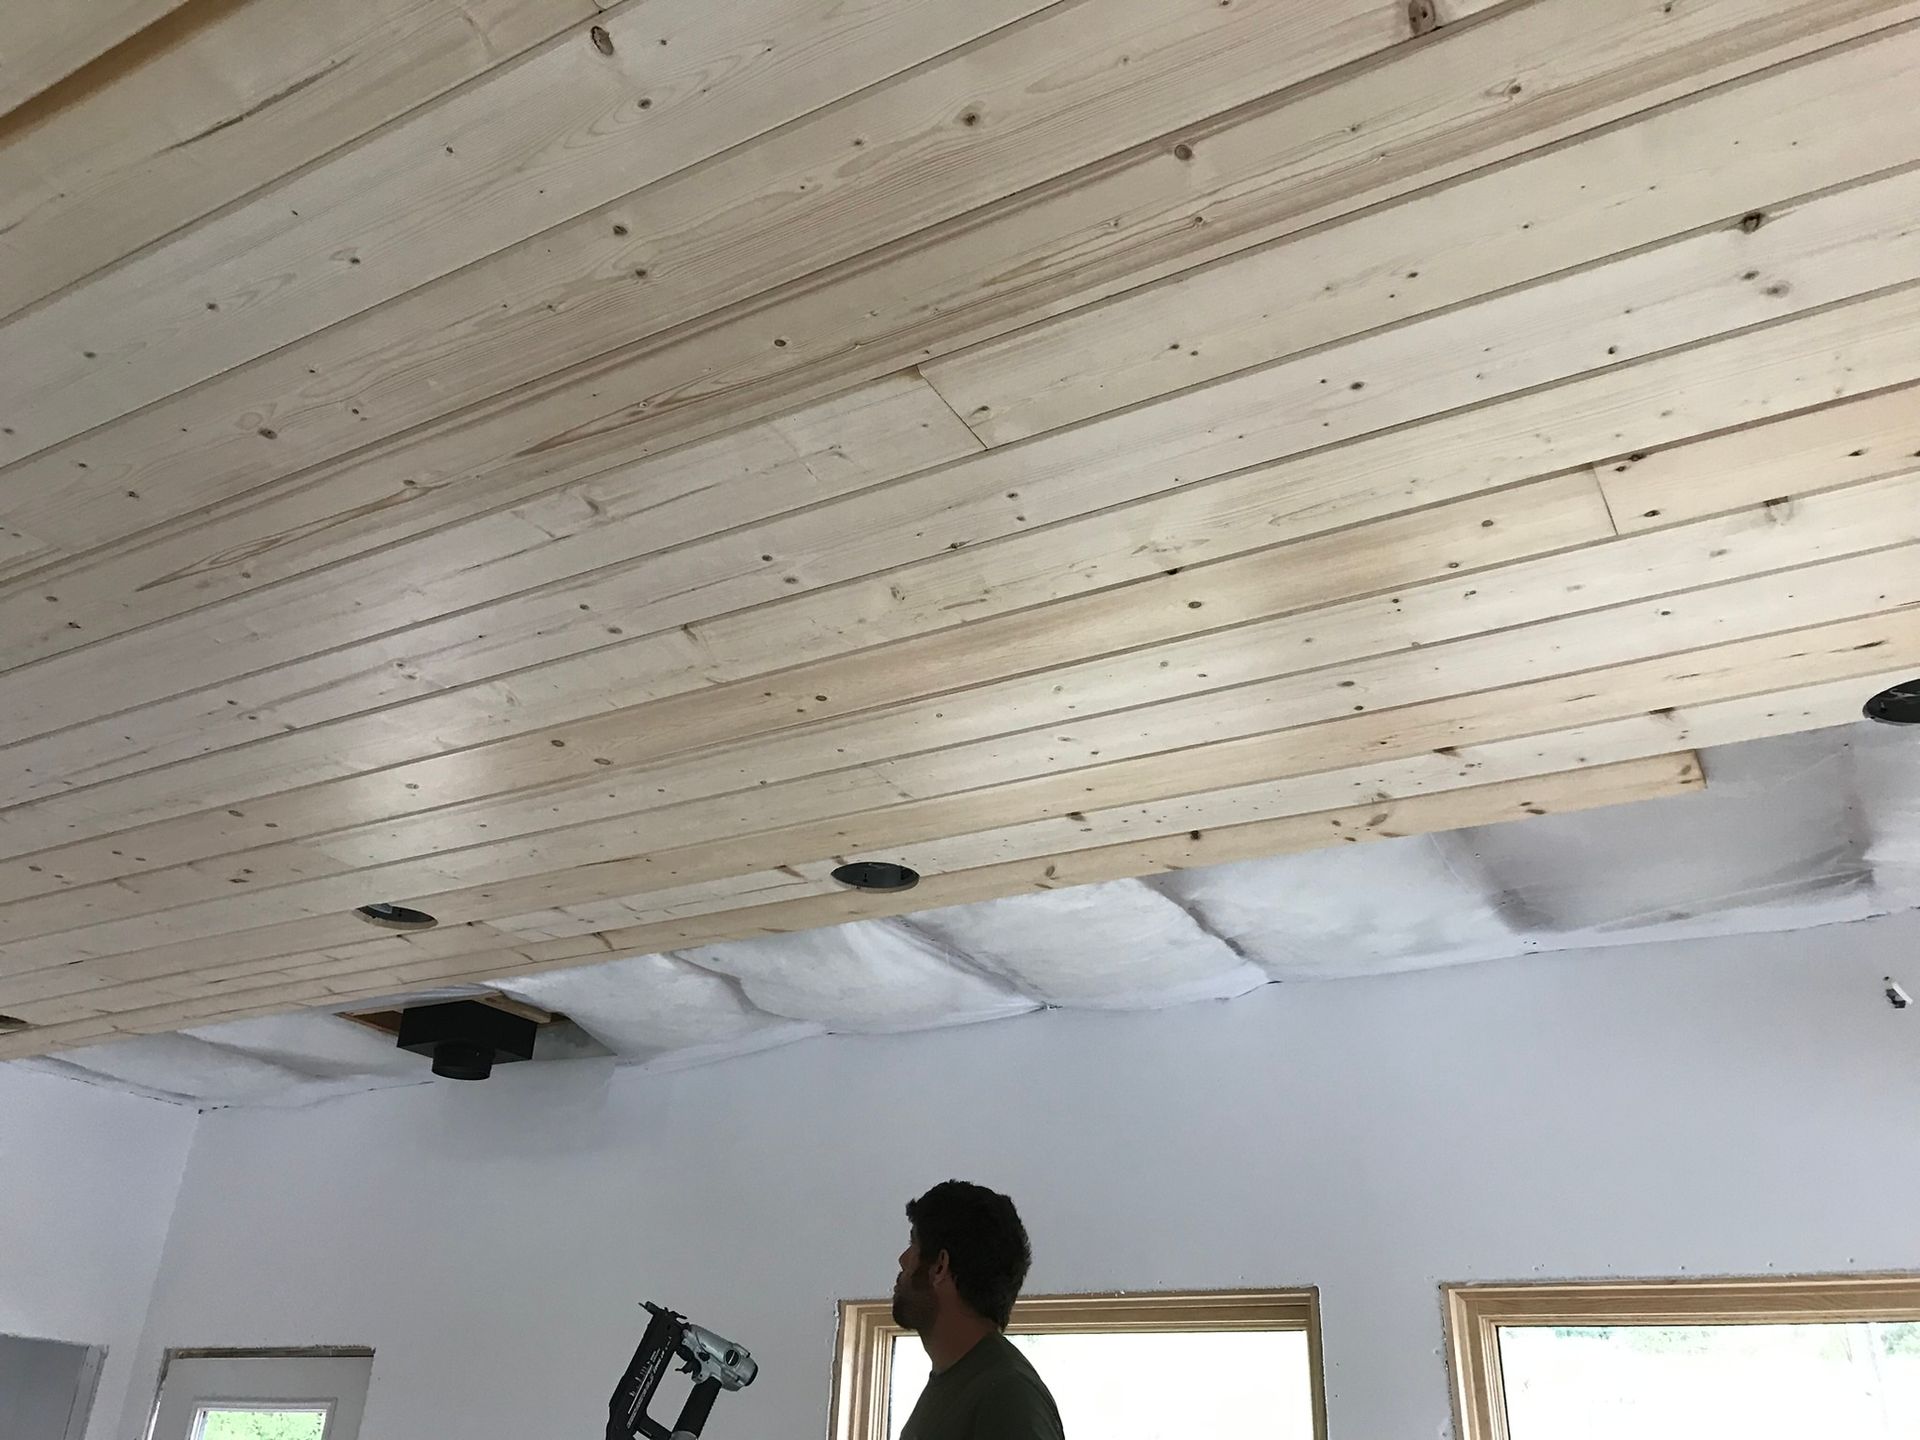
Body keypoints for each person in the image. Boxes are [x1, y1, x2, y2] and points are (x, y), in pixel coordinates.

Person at [891, 1180, 1065, 1440]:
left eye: (913, 1244)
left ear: (940, 1266)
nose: (903, 1259)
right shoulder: (959, 1383)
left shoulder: (1007, 1395)